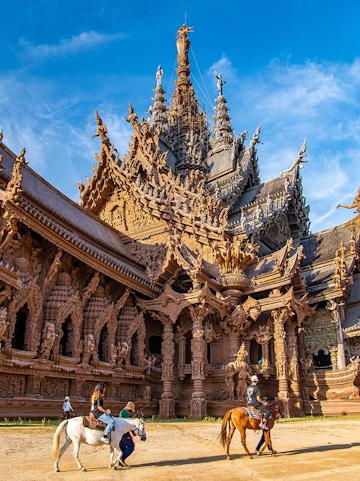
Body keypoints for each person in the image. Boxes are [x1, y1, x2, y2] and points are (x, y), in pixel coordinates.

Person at [117, 401, 136, 469]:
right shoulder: (124, 412)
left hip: (121, 432)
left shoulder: (123, 412)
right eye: (131, 409)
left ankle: (120, 463)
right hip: (125, 432)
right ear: (129, 407)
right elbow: (124, 422)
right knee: (131, 447)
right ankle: (121, 459)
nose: (131, 410)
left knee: (122, 447)